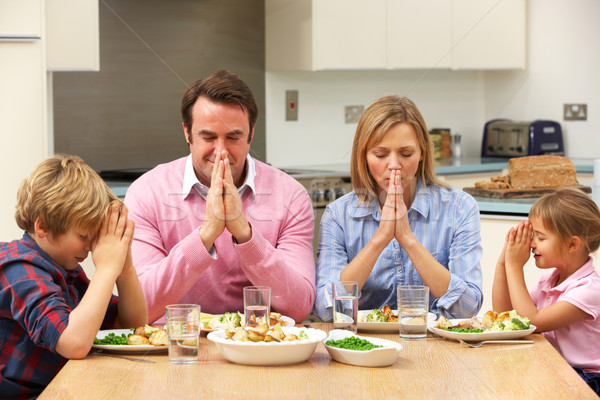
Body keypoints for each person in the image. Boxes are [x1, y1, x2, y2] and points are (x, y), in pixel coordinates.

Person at [124, 69, 315, 324]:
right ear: (187, 133)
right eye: (209, 137)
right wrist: (205, 236)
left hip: (262, 350)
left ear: (251, 134)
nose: (221, 151)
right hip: (175, 349)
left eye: (233, 137)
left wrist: (245, 234)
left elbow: (299, 307)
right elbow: (140, 307)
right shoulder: (146, 193)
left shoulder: (291, 196)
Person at [314, 96, 483, 321]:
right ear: (363, 156)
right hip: (363, 345)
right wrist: (380, 240)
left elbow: (467, 307)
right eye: (380, 154)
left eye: (406, 154)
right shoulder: (337, 216)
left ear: (422, 152)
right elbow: (326, 310)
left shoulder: (460, 208)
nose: (394, 165)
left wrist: (408, 240)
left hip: (436, 345)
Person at [0, 154, 147, 399]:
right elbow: (73, 343)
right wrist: (106, 270)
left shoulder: (64, 268)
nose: (90, 247)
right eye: (83, 236)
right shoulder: (17, 269)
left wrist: (124, 269)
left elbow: (132, 325)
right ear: (43, 226)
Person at [492, 187, 600, 395]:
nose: (532, 244)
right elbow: (504, 316)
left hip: (588, 381)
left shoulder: (590, 290)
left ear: (572, 244)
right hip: (555, 369)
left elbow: (532, 322)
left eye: (540, 238)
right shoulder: (548, 282)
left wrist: (515, 267)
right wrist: (503, 263)